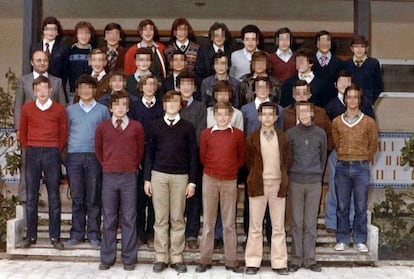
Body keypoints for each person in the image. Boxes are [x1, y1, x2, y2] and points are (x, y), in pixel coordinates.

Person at [144, 91, 198, 274]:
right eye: (169, 101)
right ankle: (161, 256)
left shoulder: (188, 127)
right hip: (158, 175)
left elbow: (193, 156)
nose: (173, 104)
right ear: (164, 105)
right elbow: (149, 154)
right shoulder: (155, 126)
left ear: (180, 104)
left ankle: (176, 256)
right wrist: (147, 179)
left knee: (177, 218)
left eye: (176, 101)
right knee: (160, 218)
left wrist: (192, 182)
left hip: (180, 177)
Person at [95, 89, 145, 271]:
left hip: (129, 176)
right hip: (109, 175)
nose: (120, 108)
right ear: (110, 107)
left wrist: (131, 164)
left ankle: (129, 258)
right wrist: (107, 164)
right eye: (116, 105)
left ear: (128, 107)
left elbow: (140, 151)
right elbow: (98, 150)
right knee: (109, 217)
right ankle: (107, 257)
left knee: (129, 217)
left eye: (124, 104)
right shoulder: (102, 127)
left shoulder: (136, 127)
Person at [19, 76, 67, 250]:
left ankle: (55, 237)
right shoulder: (27, 109)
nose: (42, 92)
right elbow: (22, 133)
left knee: (54, 196)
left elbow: (63, 133)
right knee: (31, 196)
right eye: (38, 89)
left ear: (50, 90)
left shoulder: (59, 110)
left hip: (51, 153)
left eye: (45, 89)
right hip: (32, 151)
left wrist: (54, 149)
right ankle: (30, 235)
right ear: (34, 91)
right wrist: (30, 147)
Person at [324, 70, 375, 233]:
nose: (344, 84)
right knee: (335, 189)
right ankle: (333, 223)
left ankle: (353, 223)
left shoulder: (365, 105)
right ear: (336, 85)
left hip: (360, 158)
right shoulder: (331, 105)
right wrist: (340, 150)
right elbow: (331, 133)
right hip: (338, 155)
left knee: (357, 194)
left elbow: (373, 138)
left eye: (347, 81)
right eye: (341, 81)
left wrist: (365, 154)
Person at [196, 102, 244, 274]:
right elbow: (203, 156)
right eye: (219, 114)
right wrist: (213, 169)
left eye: (226, 115)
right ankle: (205, 259)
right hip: (209, 179)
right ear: (214, 116)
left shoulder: (237, 135)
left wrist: (230, 169)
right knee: (209, 222)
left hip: (230, 180)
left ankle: (232, 261)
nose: (223, 118)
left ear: (231, 116)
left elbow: (240, 158)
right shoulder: (206, 134)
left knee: (229, 223)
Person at [14, 50, 66, 205]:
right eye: (38, 60)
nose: (42, 63)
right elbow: (18, 106)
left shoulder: (57, 82)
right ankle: (25, 198)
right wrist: (18, 128)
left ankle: (52, 200)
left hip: (51, 137)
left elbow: (62, 106)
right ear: (32, 62)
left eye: (45, 60)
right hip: (30, 134)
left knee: (52, 170)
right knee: (27, 166)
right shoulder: (24, 81)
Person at [244, 102, 291, 275]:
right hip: (258, 184)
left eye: (271, 114)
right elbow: (248, 161)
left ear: (277, 117)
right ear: (259, 117)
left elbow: (287, 160)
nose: (268, 117)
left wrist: (282, 178)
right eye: (264, 114)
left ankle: (279, 263)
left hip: (278, 184)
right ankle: (252, 262)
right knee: (255, 226)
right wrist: (255, 176)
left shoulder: (283, 138)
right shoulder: (252, 138)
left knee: (278, 226)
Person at [65, 75, 110, 248]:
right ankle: (76, 233)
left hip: (94, 157)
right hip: (74, 156)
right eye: (81, 87)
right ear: (77, 90)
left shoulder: (103, 110)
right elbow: (65, 134)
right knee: (77, 197)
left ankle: (93, 234)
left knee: (93, 197)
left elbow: (106, 136)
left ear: (94, 90)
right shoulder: (70, 110)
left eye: (89, 87)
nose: (85, 91)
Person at [332, 85, 378, 253]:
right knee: (342, 206)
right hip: (342, 166)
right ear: (345, 99)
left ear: (359, 100)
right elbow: (337, 143)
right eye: (349, 97)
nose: (352, 100)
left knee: (360, 206)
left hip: (361, 167)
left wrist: (363, 156)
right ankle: (342, 238)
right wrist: (345, 154)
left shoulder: (369, 122)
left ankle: (360, 239)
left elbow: (374, 144)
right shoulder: (337, 121)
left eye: (355, 97)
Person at [287, 102, 327, 273]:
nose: (303, 114)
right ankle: (296, 258)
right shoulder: (290, 134)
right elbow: (287, 158)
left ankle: (310, 259)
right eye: (300, 111)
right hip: (295, 181)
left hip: (314, 182)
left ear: (312, 113)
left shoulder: (320, 133)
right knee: (296, 222)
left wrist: (317, 174)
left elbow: (323, 156)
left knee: (310, 223)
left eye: (307, 111)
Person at [130, 75, 163, 247]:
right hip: (138, 155)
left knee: (154, 198)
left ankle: (151, 233)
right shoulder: (134, 107)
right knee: (139, 197)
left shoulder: (161, 107)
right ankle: (139, 233)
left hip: (157, 155)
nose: (149, 87)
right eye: (146, 84)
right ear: (140, 87)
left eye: (153, 84)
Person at [176, 71, 207, 250]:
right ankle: (177, 234)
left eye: (190, 84)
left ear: (194, 88)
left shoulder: (200, 107)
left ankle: (192, 234)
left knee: (193, 199)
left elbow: (200, 132)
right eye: (183, 84)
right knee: (176, 199)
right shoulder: (172, 102)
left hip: (194, 157)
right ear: (178, 86)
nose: (186, 87)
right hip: (174, 159)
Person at [30, 16, 69, 100]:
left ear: (57, 32)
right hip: (37, 86)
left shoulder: (63, 48)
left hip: (55, 88)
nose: (50, 32)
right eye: (48, 29)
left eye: (54, 29)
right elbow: (31, 67)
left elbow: (65, 72)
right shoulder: (34, 47)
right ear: (43, 31)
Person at [343, 35, 383, 106]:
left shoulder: (373, 63)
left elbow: (378, 86)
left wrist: (371, 102)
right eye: (356, 46)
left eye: (362, 46)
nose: (359, 49)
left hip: (368, 102)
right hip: (350, 103)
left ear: (366, 48)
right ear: (351, 49)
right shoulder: (346, 64)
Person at [312, 30, 344, 107]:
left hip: (333, 104)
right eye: (322, 41)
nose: (325, 44)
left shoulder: (339, 62)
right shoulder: (309, 60)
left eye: (328, 41)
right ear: (317, 43)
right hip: (312, 103)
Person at [68, 21, 95, 104]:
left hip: (90, 92)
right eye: (81, 33)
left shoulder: (94, 52)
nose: (84, 36)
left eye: (87, 33)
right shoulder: (69, 51)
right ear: (76, 35)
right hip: (73, 92)